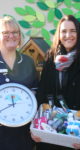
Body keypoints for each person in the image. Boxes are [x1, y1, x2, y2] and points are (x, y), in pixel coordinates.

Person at [31, 15, 80, 150]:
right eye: (63, 31)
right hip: (51, 127)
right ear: (59, 34)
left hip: (76, 130)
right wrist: (36, 125)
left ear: (79, 33)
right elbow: (42, 91)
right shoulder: (51, 56)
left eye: (72, 31)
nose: (68, 35)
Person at [0, 16, 38, 150]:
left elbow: (35, 89)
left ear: (19, 36)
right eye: (5, 32)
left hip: (22, 133)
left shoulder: (28, 61)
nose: (11, 36)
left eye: (15, 32)